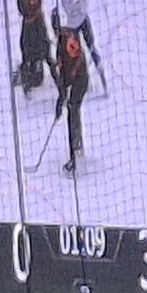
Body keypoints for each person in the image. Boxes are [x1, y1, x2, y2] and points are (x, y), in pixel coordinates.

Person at [55, 0, 105, 95]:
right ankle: (103, 80)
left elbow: (67, 3)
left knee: (72, 53)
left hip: (73, 22)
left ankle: (70, 82)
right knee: (91, 47)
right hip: (82, 17)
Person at [51, 9, 91, 177]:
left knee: (73, 111)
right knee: (73, 112)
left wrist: (61, 97)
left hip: (80, 80)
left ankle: (76, 153)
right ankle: (77, 149)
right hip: (78, 80)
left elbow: (67, 72)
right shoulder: (66, 38)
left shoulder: (66, 42)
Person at [14, 0, 52, 96]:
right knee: (44, 48)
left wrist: (22, 11)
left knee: (26, 48)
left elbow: (20, 0)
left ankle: (28, 81)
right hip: (38, 18)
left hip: (29, 21)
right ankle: (54, 76)